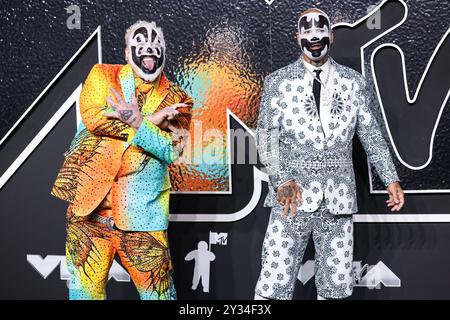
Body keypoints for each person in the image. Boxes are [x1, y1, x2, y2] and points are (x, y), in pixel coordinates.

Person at [254, 8, 405, 300]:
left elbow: (371, 134)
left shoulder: (354, 82)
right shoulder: (277, 82)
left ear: (331, 36)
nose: (314, 37)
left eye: (320, 31)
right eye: (307, 32)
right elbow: (265, 138)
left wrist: (390, 179)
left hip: (339, 198)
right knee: (273, 283)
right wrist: (282, 179)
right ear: (297, 37)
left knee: (336, 287)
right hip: (291, 198)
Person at [51, 20, 193, 300]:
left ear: (164, 51)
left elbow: (172, 151)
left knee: (159, 296)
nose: (148, 51)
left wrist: (137, 120)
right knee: (84, 296)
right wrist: (149, 123)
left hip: (143, 219)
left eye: (155, 46)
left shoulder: (179, 99)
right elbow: (94, 121)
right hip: (88, 215)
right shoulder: (103, 76)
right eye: (140, 46)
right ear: (127, 52)